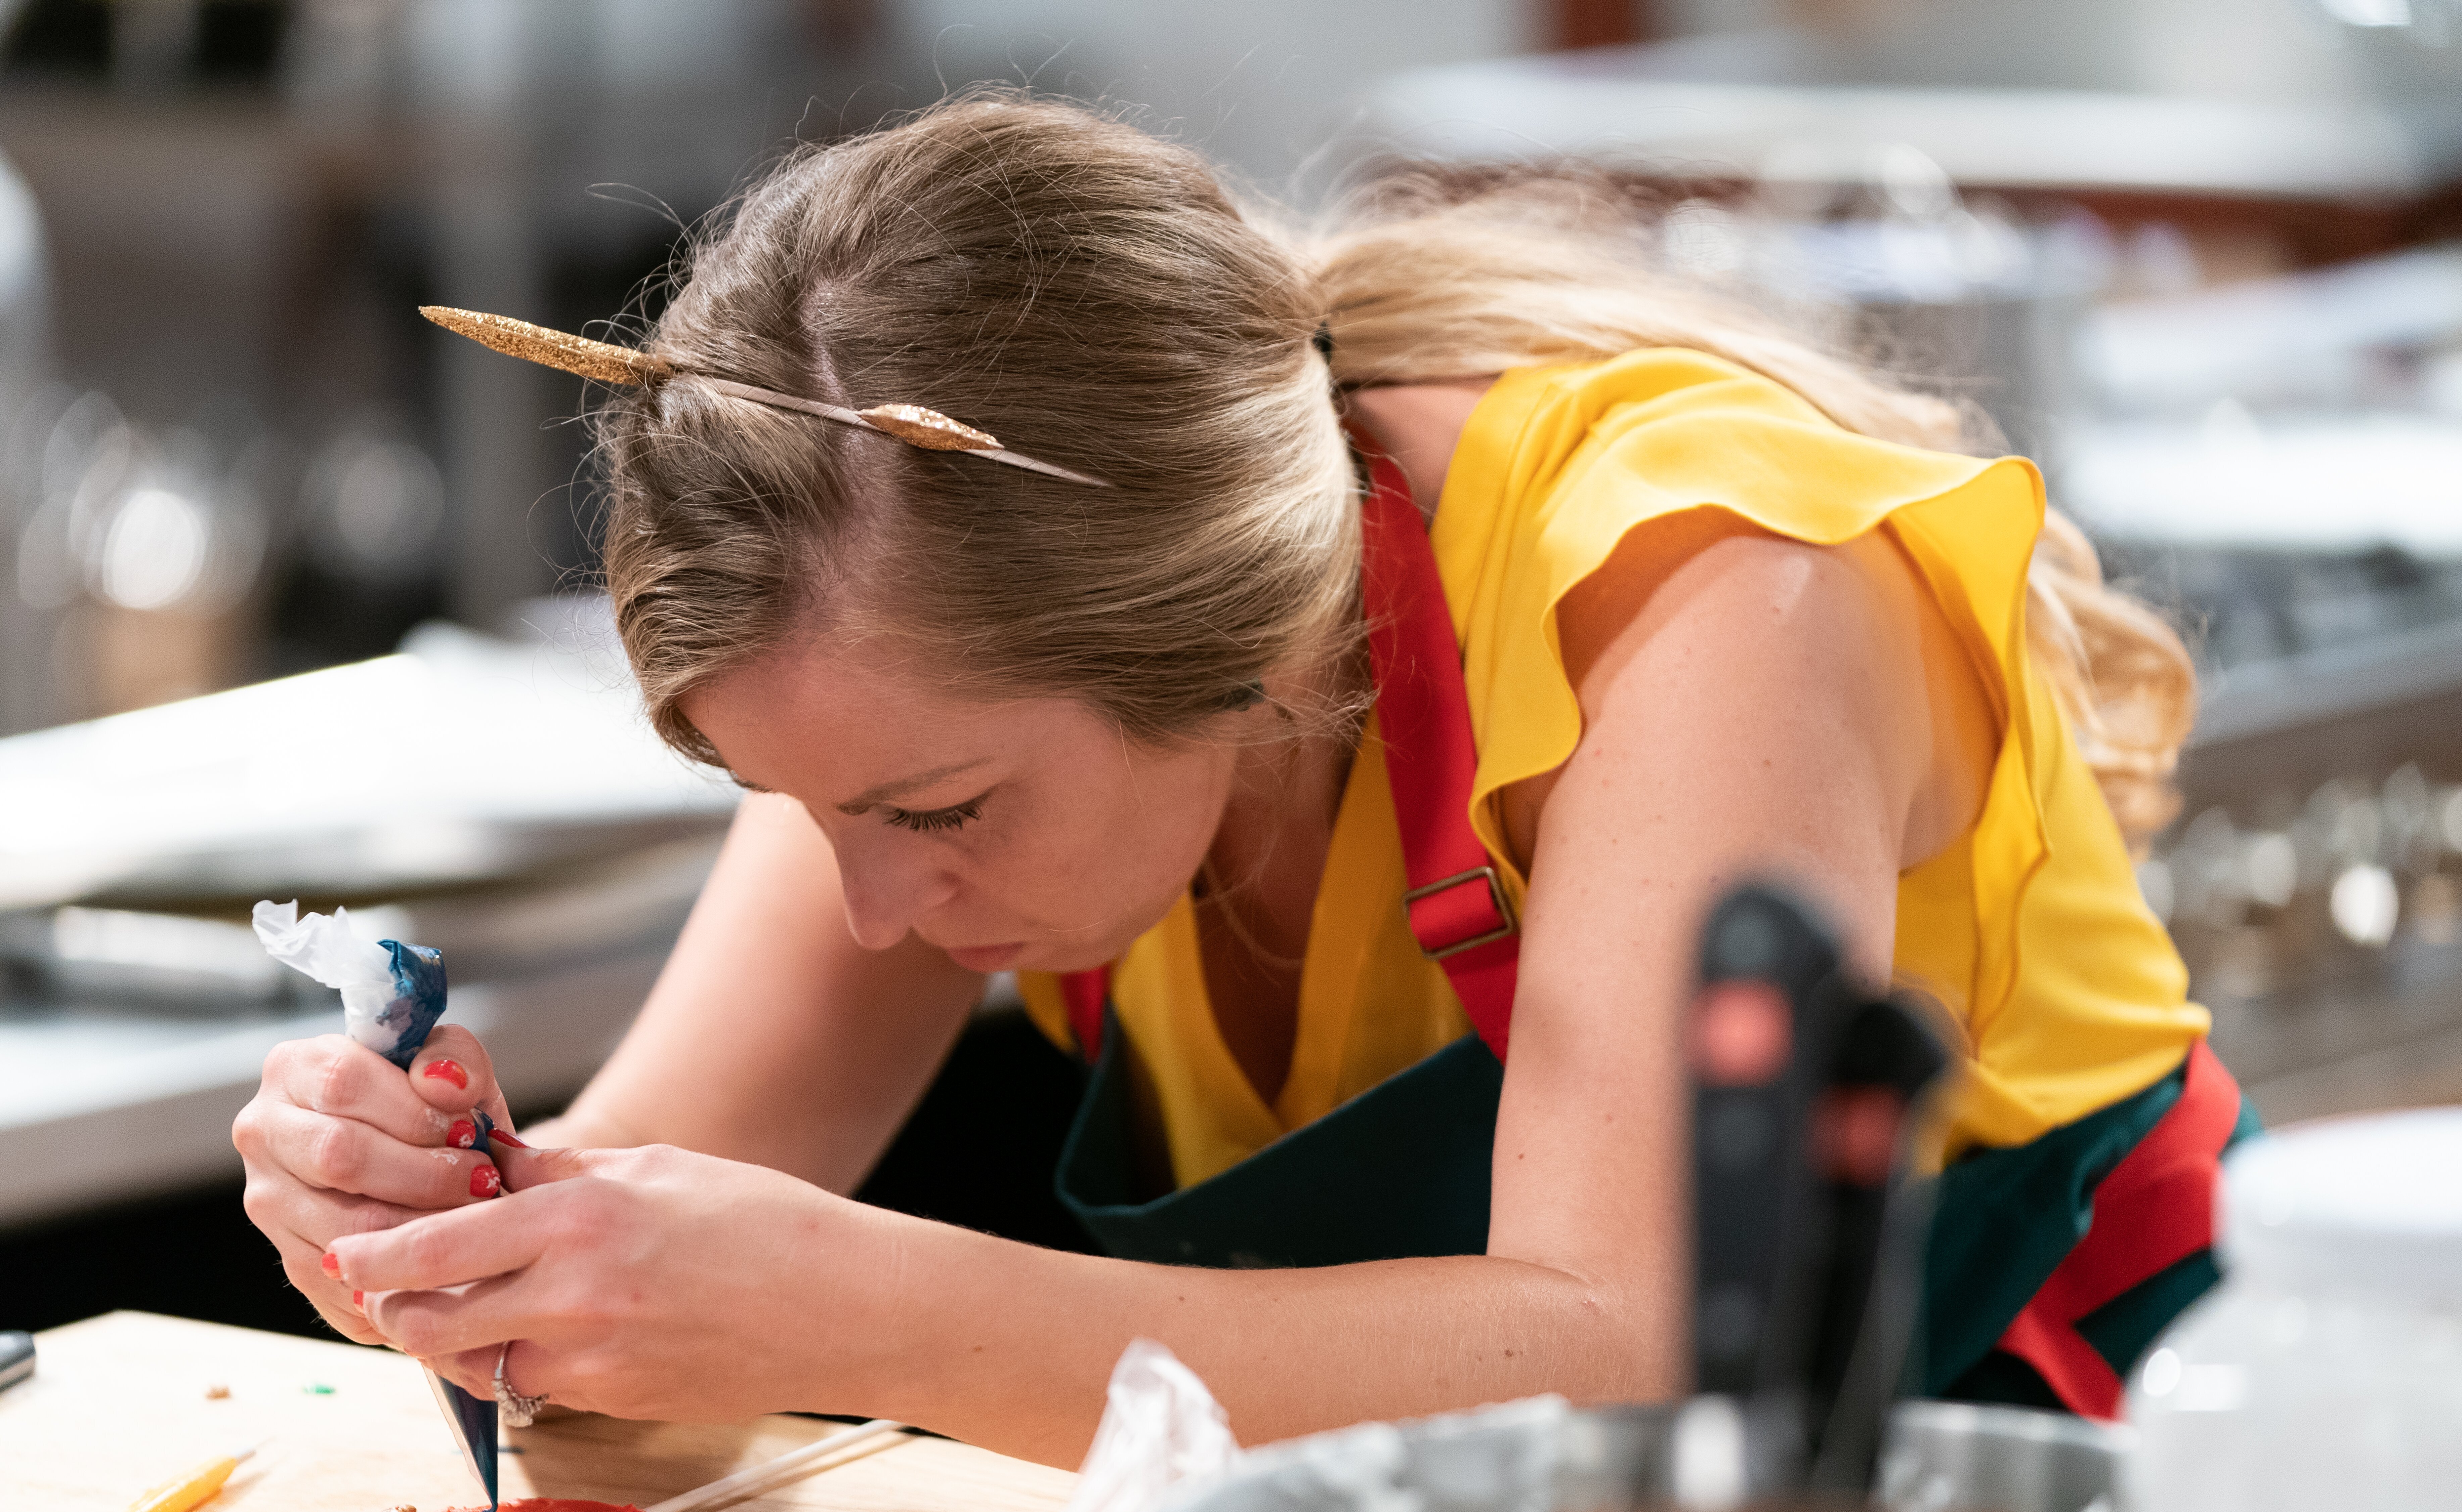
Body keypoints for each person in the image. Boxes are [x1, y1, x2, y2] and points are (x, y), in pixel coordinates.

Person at [231, 94, 2248, 1468]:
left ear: (1238, 645)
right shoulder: (928, 686)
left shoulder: (1706, 589)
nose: (863, 906)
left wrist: (844, 1309)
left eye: (933, 814)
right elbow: (644, 1284)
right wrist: (456, 1235)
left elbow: (1638, 1360)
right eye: (804, 806)